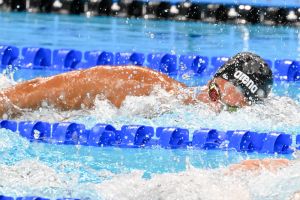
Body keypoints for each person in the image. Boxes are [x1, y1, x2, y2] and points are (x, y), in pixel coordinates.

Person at [0, 51, 273, 118]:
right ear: (211, 82)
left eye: (233, 108)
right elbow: (78, 83)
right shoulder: (149, 88)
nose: (217, 103)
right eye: (215, 95)